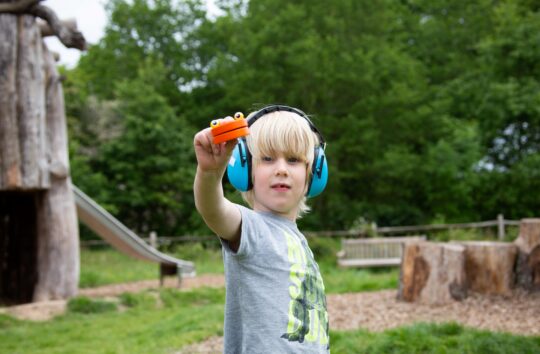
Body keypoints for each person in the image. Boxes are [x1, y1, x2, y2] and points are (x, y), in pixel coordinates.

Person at [193, 105, 330, 353]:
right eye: (267, 159)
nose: (281, 169)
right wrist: (210, 173)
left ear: (314, 173)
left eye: (293, 160)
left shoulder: (297, 241)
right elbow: (213, 210)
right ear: (244, 170)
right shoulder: (253, 229)